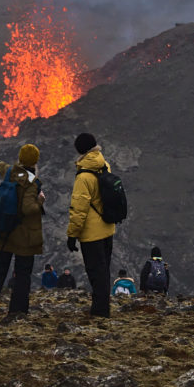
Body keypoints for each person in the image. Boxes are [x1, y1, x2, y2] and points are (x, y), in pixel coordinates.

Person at [0, 144, 45, 324]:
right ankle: (17, 313)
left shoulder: (11, 171)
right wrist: (40, 202)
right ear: (35, 161)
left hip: (4, 233)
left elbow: (3, 166)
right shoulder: (31, 181)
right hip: (24, 238)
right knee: (22, 275)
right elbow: (28, 208)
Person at [66, 132, 116, 318]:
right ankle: (102, 307)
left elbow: (79, 209)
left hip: (91, 233)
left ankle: (100, 311)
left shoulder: (83, 177)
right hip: (107, 227)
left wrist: (72, 235)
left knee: (96, 272)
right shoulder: (105, 166)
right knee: (104, 270)